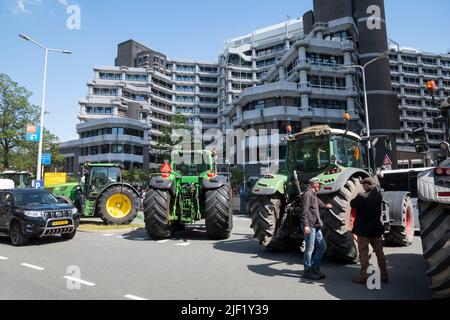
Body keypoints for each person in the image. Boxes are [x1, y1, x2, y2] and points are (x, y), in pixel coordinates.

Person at [350, 177, 389, 284]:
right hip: (376, 229)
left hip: (364, 231)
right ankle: (384, 275)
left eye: (363, 185)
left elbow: (352, 204)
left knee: (363, 254)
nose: (362, 186)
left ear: (367, 185)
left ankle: (364, 277)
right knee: (380, 253)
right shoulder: (378, 196)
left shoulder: (361, 196)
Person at [300, 178, 333, 280]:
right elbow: (304, 211)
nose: (320, 186)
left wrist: (326, 206)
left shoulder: (313, 194)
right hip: (309, 225)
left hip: (316, 225)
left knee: (323, 246)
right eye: (319, 185)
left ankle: (314, 267)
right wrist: (305, 225)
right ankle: (307, 270)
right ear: (315, 185)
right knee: (310, 248)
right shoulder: (308, 194)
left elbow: (318, 203)